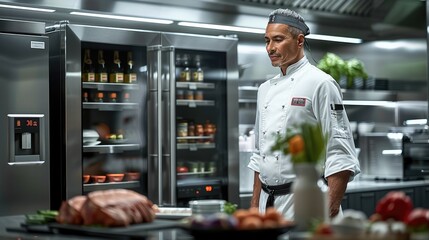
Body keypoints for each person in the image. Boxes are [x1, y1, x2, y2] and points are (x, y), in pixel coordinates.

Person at [247, 8, 361, 219]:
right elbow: (259, 154)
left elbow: (340, 153)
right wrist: (255, 206)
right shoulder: (264, 90)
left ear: (299, 41)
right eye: (267, 41)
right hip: (267, 203)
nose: (270, 48)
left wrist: (328, 210)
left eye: (278, 40)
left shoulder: (321, 83)